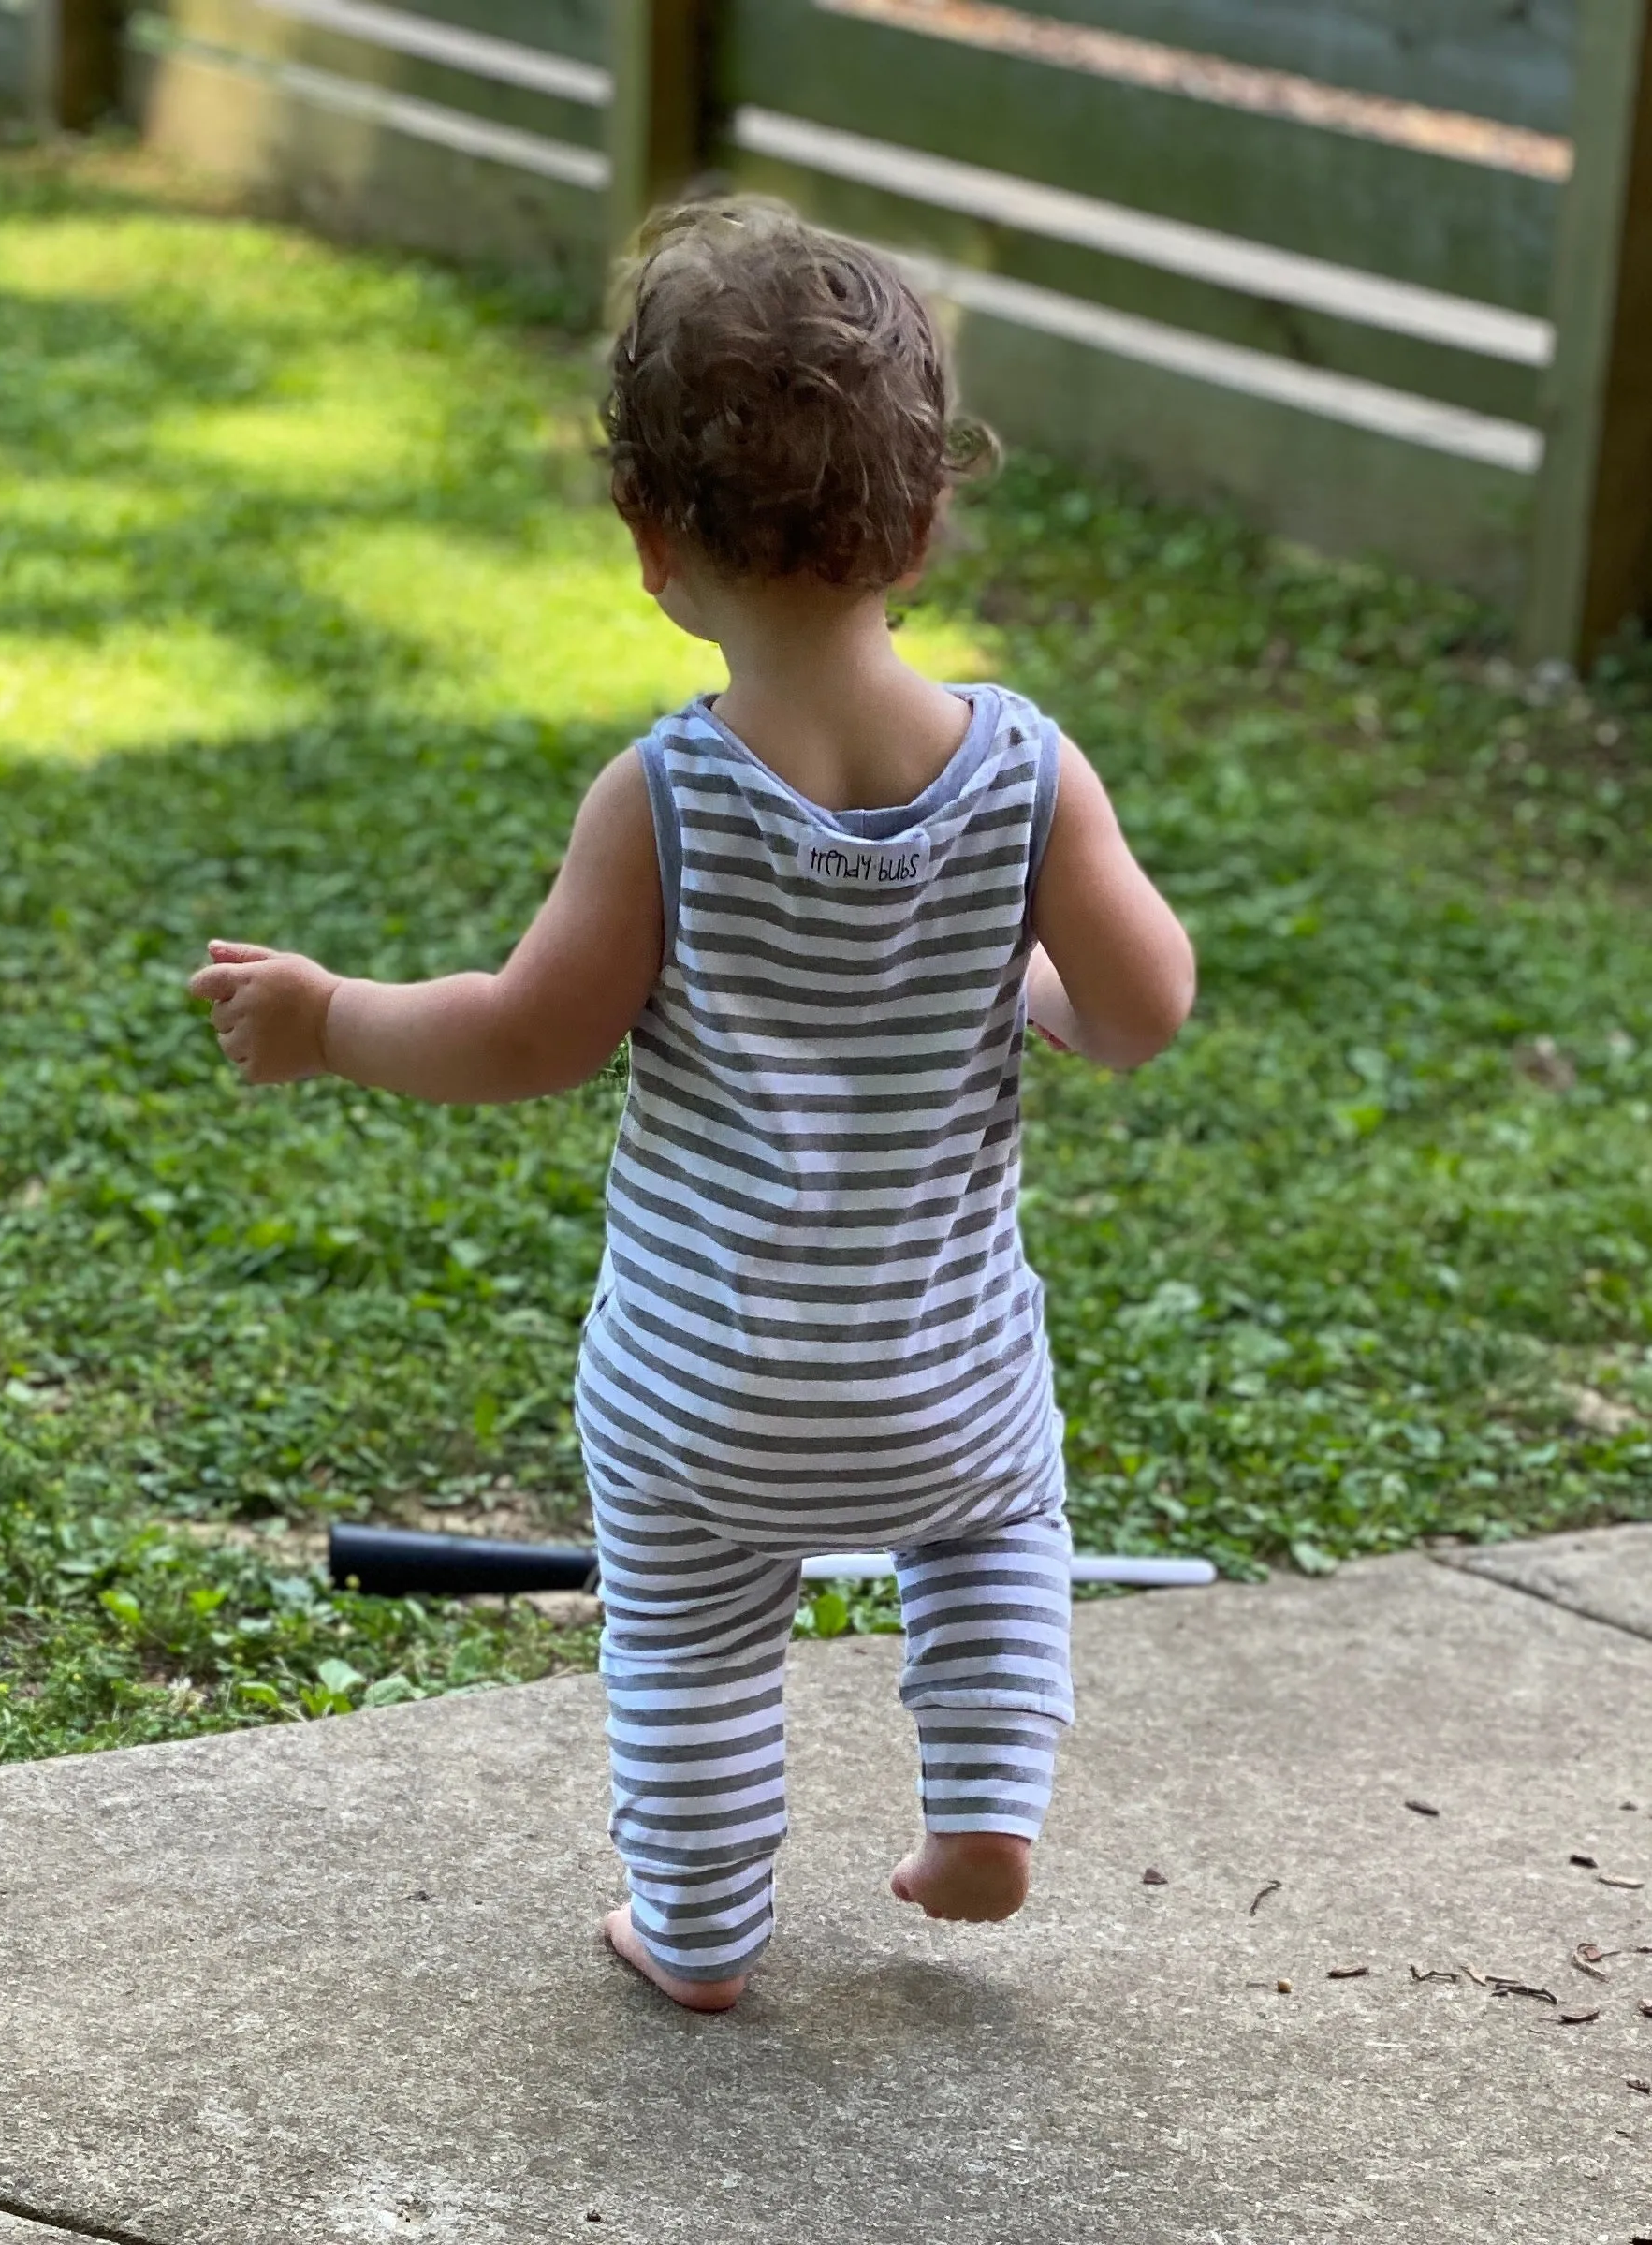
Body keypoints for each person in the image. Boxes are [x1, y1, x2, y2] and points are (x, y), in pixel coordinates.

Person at [189, 198, 1194, 2012]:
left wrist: (331, 1018)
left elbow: (522, 1035)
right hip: (936, 1373)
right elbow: (1141, 1009)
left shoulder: (658, 797)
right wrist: (1034, 992)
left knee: (687, 1631)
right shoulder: (1030, 772)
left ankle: (701, 1922)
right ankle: (978, 1811)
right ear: (922, 518)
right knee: (995, 1523)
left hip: (700, 1386)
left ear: (648, 544)